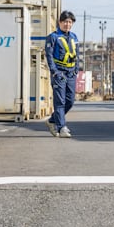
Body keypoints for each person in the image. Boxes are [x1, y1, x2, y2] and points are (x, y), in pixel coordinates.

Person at [45, 10, 80, 138]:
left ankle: (52, 120)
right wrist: (54, 72)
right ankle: (62, 128)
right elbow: (49, 56)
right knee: (59, 101)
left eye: (70, 22)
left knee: (70, 101)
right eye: (65, 22)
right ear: (59, 22)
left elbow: (78, 54)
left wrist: (77, 69)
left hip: (71, 73)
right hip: (59, 73)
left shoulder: (74, 37)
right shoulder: (52, 37)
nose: (67, 24)